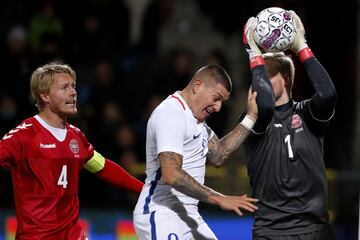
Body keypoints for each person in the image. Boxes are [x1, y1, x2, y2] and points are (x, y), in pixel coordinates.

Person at [0, 62, 144, 239]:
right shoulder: (23, 136)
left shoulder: (75, 136)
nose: (73, 92)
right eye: (64, 87)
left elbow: (103, 167)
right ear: (45, 96)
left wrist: (144, 190)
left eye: (73, 86)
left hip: (73, 235)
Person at [241, 10, 337, 239]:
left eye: (265, 74)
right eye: (257, 74)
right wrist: (252, 52)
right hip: (271, 232)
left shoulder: (307, 114)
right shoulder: (253, 118)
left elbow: (327, 95)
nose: (258, 80)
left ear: (285, 79)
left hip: (314, 229)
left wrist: (301, 46)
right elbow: (264, 105)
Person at [133, 64, 259, 239]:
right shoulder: (171, 113)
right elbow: (171, 174)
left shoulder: (197, 122)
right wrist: (219, 198)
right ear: (197, 86)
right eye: (216, 98)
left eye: (222, 101)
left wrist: (251, 117)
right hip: (161, 213)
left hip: (188, 214)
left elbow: (218, 155)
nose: (218, 107)